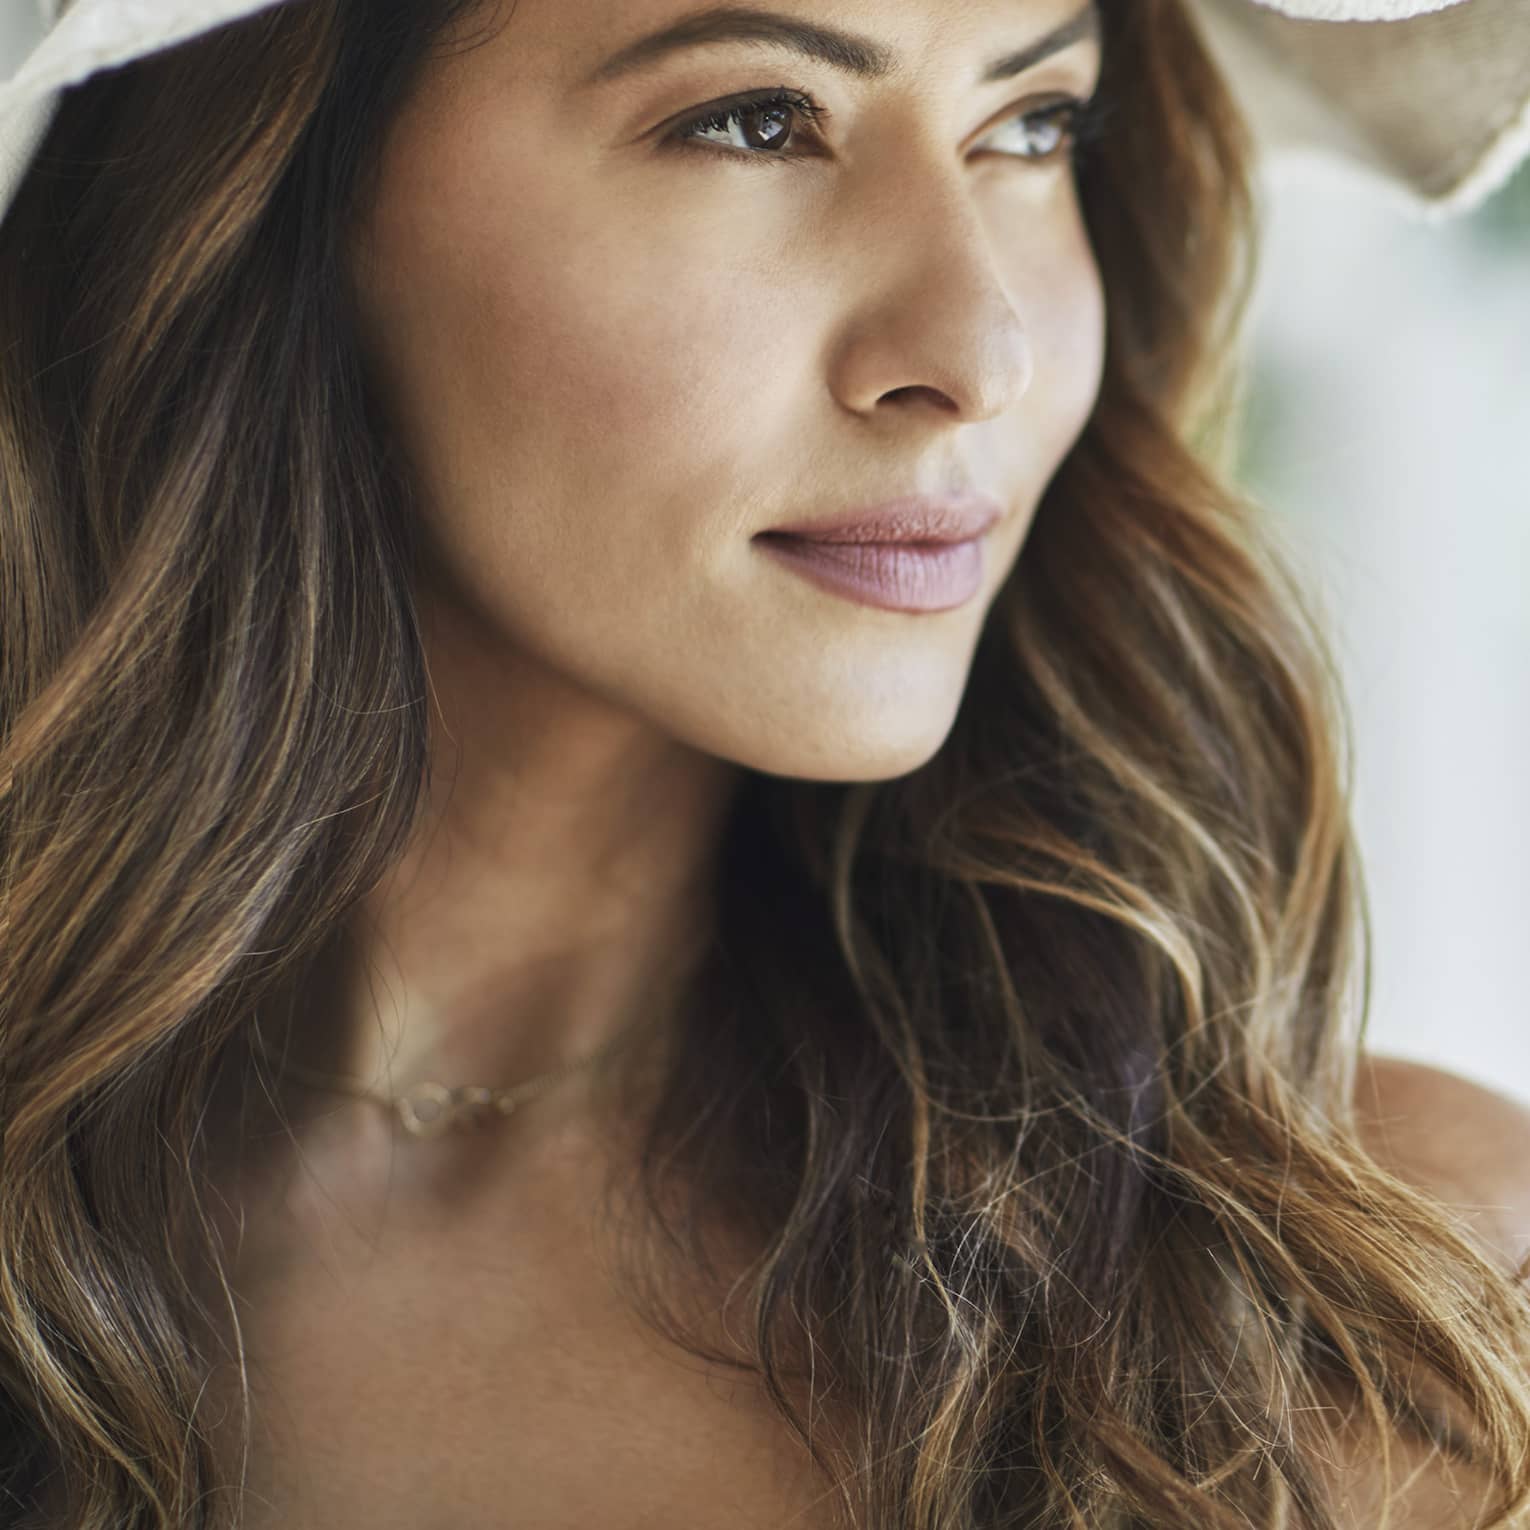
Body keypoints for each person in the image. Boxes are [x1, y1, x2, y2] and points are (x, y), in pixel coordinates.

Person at [0, 0, 1527, 1526]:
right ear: (278, 200)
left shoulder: (1376, 1307)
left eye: (1033, 124)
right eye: (755, 120)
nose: (976, 351)